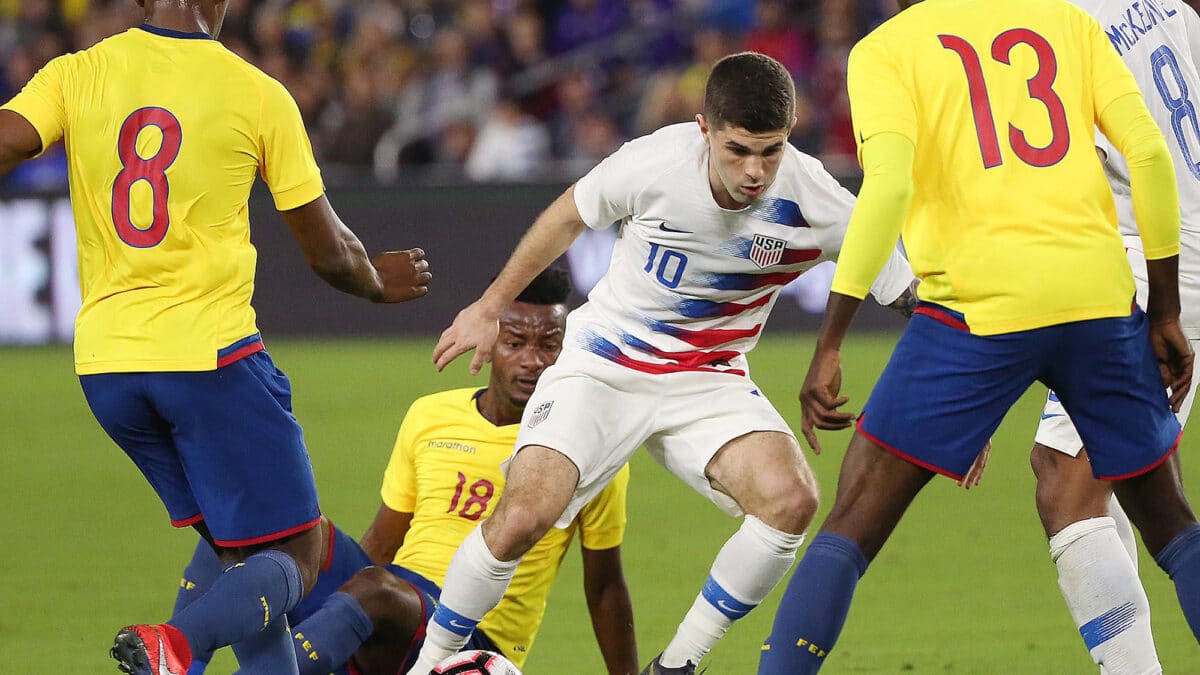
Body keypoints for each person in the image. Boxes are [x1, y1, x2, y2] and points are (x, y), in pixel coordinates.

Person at [407, 52, 918, 675]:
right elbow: (569, 213)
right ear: (705, 128)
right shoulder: (654, 162)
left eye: (772, 150)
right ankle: (428, 665)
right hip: (603, 362)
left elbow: (911, 296)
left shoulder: (816, 198)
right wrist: (491, 306)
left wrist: (961, 407)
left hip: (709, 378)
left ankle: (677, 665)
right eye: (738, 150)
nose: (755, 171)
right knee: (523, 516)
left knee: (790, 501)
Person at [757, 0, 1200, 673]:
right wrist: (1162, 310)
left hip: (976, 308)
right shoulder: (1064, 22)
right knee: (1172, 526)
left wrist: (831, 338)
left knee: (851, 524)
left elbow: (888, 190)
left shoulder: (885, 50)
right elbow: (1147, 154)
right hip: (1099, 297)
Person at [0, 2, 432, 674]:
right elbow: (327, 251)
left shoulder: (77, 71)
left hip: (107, 366)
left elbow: (7, 140)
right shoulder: (254, 92)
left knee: (242, 558)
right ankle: (177, 644)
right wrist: (375, 281)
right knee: (297, 554)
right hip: (209, 356)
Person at [173, 269, 639, 675]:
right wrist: (339, 608)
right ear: (490, 340)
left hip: (471, 638)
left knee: (376, 591)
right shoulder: (430, 415)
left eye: (549, 345)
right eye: (516, 343)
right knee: (244, 531)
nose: (532, 360)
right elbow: (381, 543)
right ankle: (173, 660)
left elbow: (605, 584)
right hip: (394, 604)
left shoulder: (588, 448)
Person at [1025, 1, 1200, 671]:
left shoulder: (1045, 29)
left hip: (1144, 257)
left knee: (1064, 484)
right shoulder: (1161, 5)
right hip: (1183, 248)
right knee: (1121, 476)